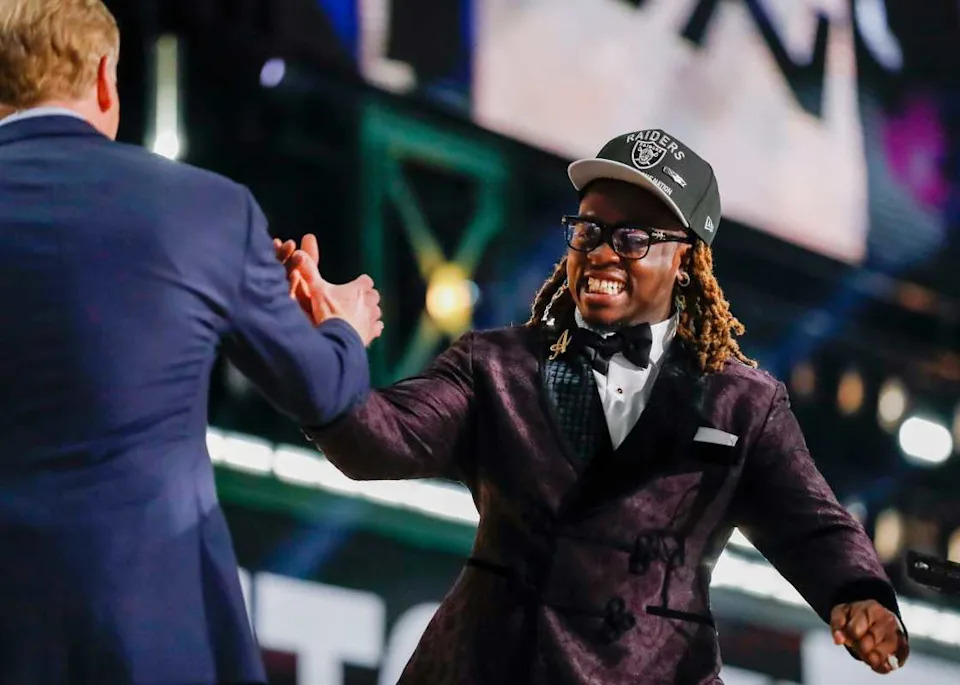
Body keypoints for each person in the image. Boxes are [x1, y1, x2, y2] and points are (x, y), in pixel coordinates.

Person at [277, 129, 909, 683]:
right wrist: (325, 351)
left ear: (685, 257)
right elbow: (376, 442)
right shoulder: (496, 365)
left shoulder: (742, 403)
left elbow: (815, 527)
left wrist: (860, 597)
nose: (603, 251)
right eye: (589, 230)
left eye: (633, 237)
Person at [0, 1, 381, 683]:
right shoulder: (207, 210)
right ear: (107, 80)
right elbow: (324, 393)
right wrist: (341, 325)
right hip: (149, 639)